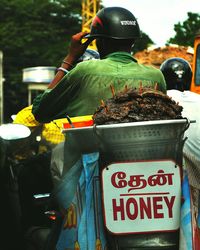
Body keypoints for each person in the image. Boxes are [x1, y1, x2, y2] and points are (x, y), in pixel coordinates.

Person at [32, 6, 166, 123]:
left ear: (99, 41)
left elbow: (40, 111)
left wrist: (70, 58)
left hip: (87, 151)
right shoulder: (156, 76)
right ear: (133, 42)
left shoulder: (84, 71)